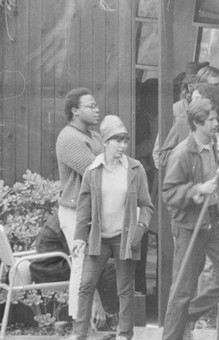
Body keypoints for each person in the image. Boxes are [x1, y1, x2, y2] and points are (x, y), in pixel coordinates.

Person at [70, 115, 154, 340]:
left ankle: (124, 335)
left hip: (124, 238)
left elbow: (147, 206)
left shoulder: (135, 169)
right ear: (105, 142)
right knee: (86, 284)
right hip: (99, 238)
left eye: (125, 140)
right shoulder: (93, 170)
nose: (122, 145)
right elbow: (83, 210)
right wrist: (79, 238)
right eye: (117, 140)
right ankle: (80, 334)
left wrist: (141, 228)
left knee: (125, 289)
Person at [162, 98, 219, 340]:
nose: (217, 123)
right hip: (189, 227)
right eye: (211, 120)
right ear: (196, 123)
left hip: (211, 223)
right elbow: (169, 193)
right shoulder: (182, 152)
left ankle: (190, 314)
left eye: (217, 118)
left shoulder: (216, 146)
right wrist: (196, 190)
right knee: (182, 290)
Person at [55, 87, 107, 324]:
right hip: (76, 212)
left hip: (90, 212)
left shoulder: (93, 136)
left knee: (88, 265)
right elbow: (98, 173)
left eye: (96, 106)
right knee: (81, 266)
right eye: (91, 106)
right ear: (75, 111)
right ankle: (80, 323)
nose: (96, 110)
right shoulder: (70, 138)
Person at [29, 212, 119, 328]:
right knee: (111, 267)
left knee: (108, 264)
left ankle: (104, 318)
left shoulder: (69, 213)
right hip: (48, 271)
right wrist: (96, 300)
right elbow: (82, 260)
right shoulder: (71, 219)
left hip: (52, 266)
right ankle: (104, 318)